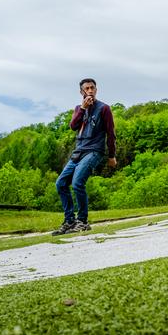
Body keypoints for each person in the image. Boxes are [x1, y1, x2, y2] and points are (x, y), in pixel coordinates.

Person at [52, 78, 117, 236]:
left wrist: (112, 156)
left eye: (92, 88)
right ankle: (69, 221)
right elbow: (73, 126)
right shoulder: (78, 109)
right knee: (60, 183)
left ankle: (82, 221)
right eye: (86, 89)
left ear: (96, 90)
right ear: (81, 92)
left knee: (77, 182)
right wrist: (82, 108)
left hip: (94, 151)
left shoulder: (104, 109)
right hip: (78, 152)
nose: (90, 91)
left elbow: (111, 134)